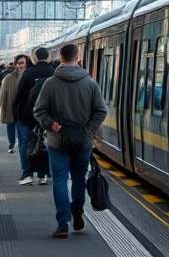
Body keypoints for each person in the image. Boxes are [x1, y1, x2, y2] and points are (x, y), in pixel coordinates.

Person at [34, 43, 107, 239]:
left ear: (61, 58)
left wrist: (51, 124)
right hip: (83, 142)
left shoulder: (50, 83)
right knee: (78, 179)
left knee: (59, 179)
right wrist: (89, 131)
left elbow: (38, 111)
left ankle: (62, 222)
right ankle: (77, 212)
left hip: (57, 141)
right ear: (79, 57)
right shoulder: (91, 83)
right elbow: (101, 111)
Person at [14, 47, 55, 185]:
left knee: (26, 143)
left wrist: (15, 111)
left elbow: (19, 94)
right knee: (44, 144)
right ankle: (43, 175)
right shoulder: (53, 72)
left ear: (35, 57)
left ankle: (28, 174)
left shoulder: (29, 73)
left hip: (27, 116)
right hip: (47, 117)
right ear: (48, 57)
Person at [0, 57, 25, 153]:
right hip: (11, 107)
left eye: (22, 63)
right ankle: (12, 144)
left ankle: (17, 144)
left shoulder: (28, 75)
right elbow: (2, 95)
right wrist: (2, 108)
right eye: (19, 63)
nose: (21, 65)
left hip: (23, 109)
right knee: (11, 126)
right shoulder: (8, 78)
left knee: (20, 129)